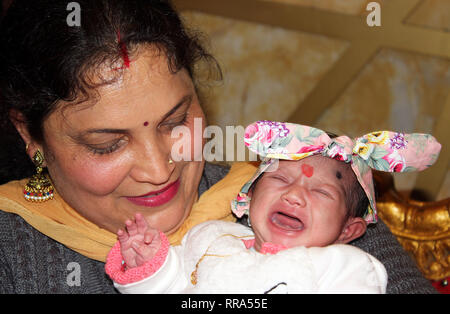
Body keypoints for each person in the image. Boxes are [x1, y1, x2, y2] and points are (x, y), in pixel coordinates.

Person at [0, 0, 439, 294]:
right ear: (29, 135)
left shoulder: (305, 207)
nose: (159, 169)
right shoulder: (11, 252)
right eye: (107, 145)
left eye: (175, 122)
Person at [105, 121, 441, 293]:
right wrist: (148, 263)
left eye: (322, 192)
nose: (295, 196)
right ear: (249, 198)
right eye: (280, 180)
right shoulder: (211, 238)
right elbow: (172, 284)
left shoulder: (344, 266)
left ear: (348, 230)